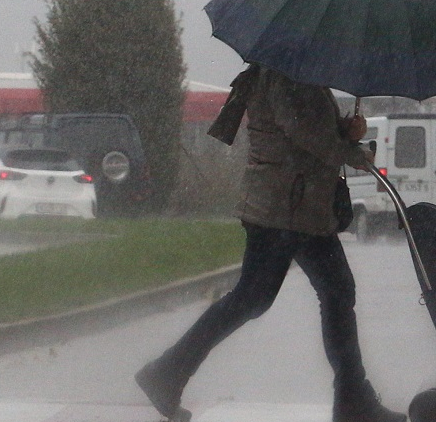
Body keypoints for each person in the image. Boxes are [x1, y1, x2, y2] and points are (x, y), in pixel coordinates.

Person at [135, 64, 406, 422]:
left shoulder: (293, 68)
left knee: (332, 292)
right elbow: (301, 131)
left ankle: (353, 397)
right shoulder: (285, 71)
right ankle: (167, 373)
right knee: (255, 298)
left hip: (300, 209)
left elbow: (304, 127)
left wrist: (344, 129)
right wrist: (352, 152)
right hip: (282, 210)